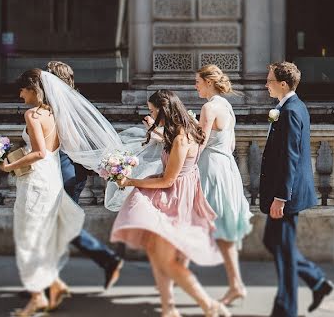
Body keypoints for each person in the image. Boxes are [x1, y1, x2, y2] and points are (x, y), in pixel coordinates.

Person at [111, 90, 230, 317]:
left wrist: (131, 182)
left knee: (168, 261)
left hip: (175, 199)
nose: (151, 114)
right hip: (174, 193)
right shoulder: (178, 132)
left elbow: (168, 180)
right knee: (156, 252)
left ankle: (210, 306)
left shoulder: (182, 138)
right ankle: (168, 308)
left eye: (153, 111)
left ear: (164, 111)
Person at [0, 69, 84, 316]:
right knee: (42, 234)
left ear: (33, 90)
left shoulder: (33, 115)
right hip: (52, 177)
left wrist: (9, 165)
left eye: (22, 89)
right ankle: (55, 286)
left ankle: (37, 297)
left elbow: (39, 153)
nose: (19, 94)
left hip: (36, 179)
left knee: (30, 237)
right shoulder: (54, 113)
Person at [260, 61, 334, 317]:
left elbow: (290, 156)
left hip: (286, 194)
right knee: (274, 241)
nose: (265, 84)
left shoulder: (291, 110)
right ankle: (317, 282)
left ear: (282, 84)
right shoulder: (291, 106)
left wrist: (281, 197)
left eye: (269, 80)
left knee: (283, 248)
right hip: (286, 191)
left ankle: (287, 309)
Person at [45, 60, 124, 290]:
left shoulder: (60, 106)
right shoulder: (71, 101)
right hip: (71, 170)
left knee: (58, 224)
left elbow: (73, 140)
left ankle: (106, 259)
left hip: (64, 169)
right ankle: (48, 284)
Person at [195, 64, 254, 306]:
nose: (195, 86)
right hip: (227, 169)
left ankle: (235, 284)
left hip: (211, 171)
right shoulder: (226, 107)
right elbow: (229, 145)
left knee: (215, 228)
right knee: (221, 229)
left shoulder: (209, 108)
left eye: (197, 81)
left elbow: (198, 145)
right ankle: (234, 284)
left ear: (208, 82)